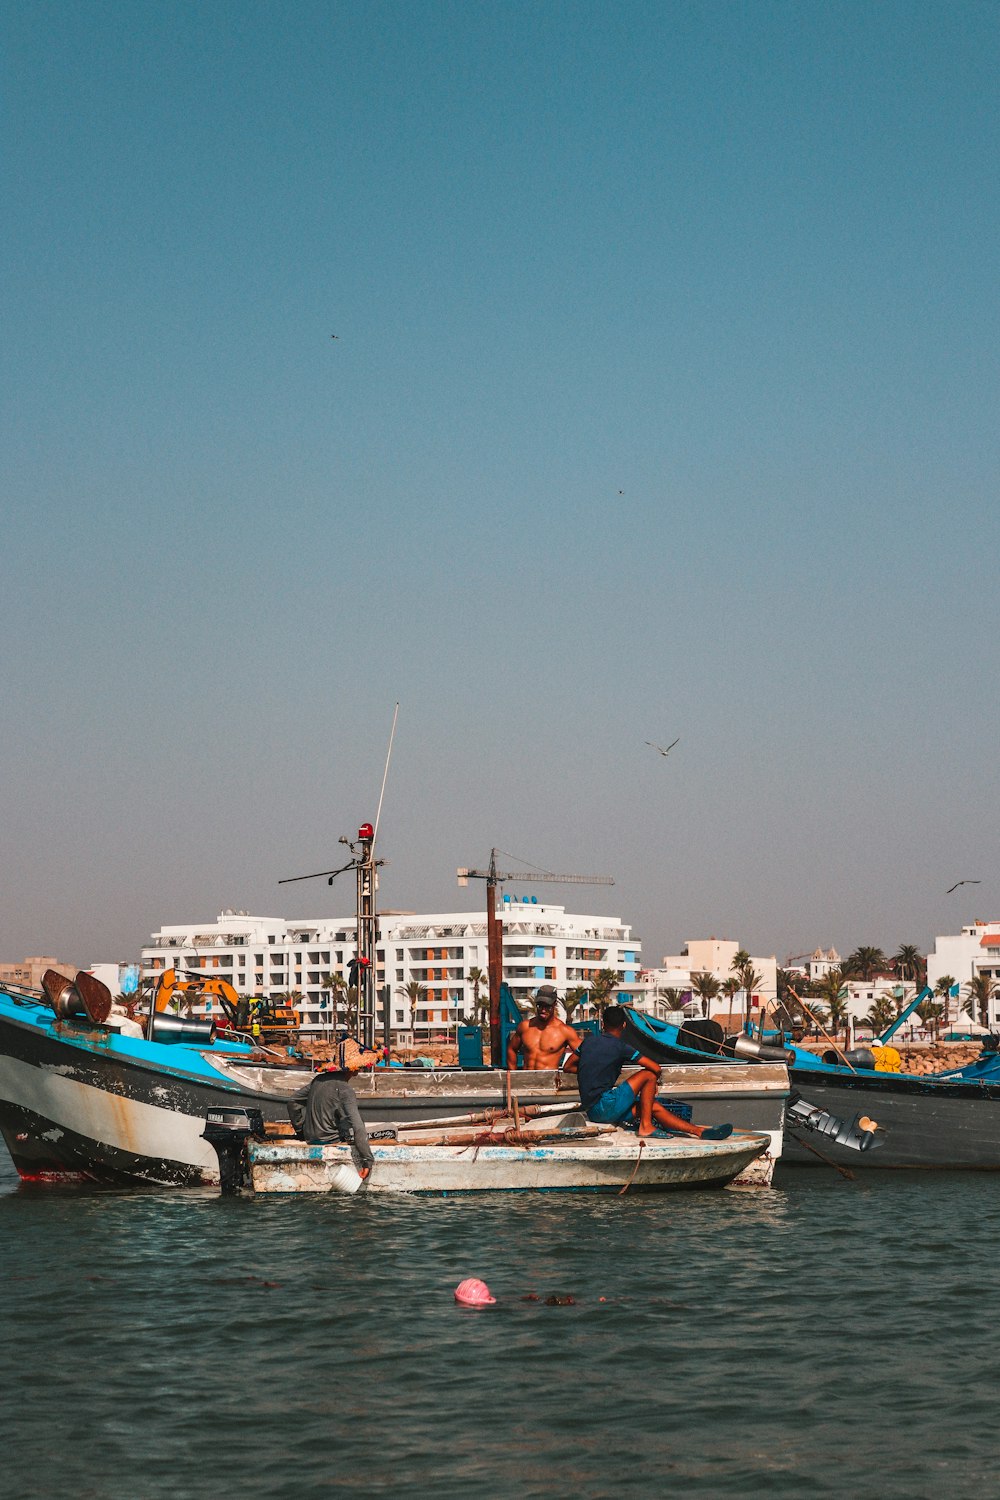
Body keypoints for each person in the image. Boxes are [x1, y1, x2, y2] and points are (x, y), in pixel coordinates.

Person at [575, 1006, 733, 1140]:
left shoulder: (587, 1042)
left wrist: (596, 1069)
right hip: (605, 1105)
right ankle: (646, 1127)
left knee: (651, 1106)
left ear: (603, 1024)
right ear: (624, 1025)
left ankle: (699, 1131)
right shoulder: (621, 1047)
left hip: (594, 1112)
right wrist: (654, 1082)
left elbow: (569, 1066)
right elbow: (655, 1068)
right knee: (648, 1075)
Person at [288, 1033, 381, 1179]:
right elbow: (357, 1127)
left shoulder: (318, 1080)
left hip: (309, 1138)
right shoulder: (345, 1090)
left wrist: (300, 1130)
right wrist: (367, 1161)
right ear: (354, 1068)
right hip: (330, 1140)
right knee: (384, 1128)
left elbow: (293, 1101)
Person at [506, 985, 581, 1071]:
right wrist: (513, 1075)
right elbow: (511, 1049)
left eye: (547, 1006)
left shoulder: (565, 1031)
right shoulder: (525, 1027)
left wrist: (569, 1067)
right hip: (526, 1080)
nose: (543, 1010)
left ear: (554, 1004)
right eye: (540, 1006)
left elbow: (583, 1053)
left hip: (549, 1081)